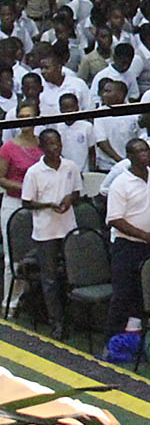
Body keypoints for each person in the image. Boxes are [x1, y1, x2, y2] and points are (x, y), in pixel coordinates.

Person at [19, 127, 81, 341]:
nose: (55, 148)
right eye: (51, 144)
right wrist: (48, 205)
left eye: (58, 143)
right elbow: (26, 202)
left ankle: (74, 319)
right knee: (50, 279)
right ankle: (57, 322)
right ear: (42, 147)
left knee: (72, 276)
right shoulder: (34, 172)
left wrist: (69, 199)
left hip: (68, 227)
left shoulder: (70, 166)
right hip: (46, 231)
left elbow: (77, 192)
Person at [105, 137, 150, 340]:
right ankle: (111, 341)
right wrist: (144, 235)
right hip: (126, 246)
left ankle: (138, 340)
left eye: (146, 150)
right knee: (122, 295)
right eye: (139, 151)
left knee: (143, 295)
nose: (145, 154)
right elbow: (115, 219)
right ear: (129, 156)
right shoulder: (121, 183)